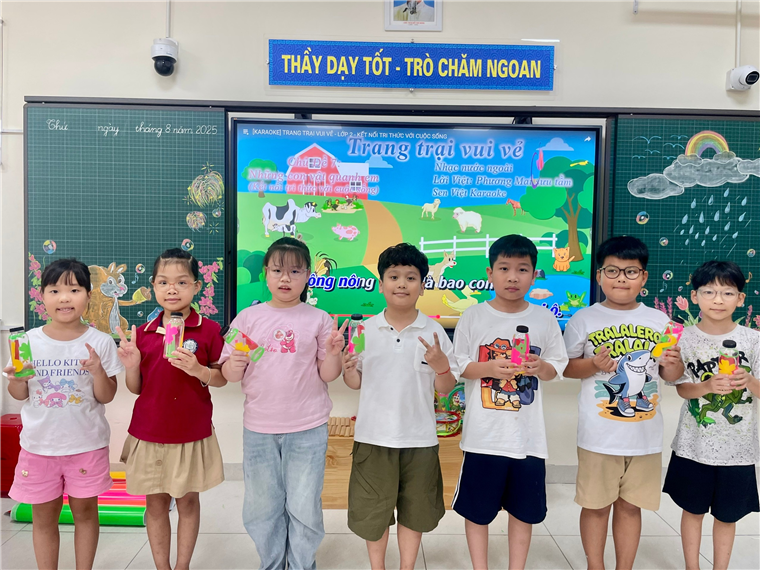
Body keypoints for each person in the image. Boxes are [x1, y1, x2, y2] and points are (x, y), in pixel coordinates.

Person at [220, 237, 347, 570]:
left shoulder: (319, 319)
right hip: (259, 428)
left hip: (308, 427)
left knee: (305, 506)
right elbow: (230, 374)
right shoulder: (247, 318)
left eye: (295, 271)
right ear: (266, 273)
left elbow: (328, 373)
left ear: (308, 276)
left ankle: (302, 564)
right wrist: (234, 363)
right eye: (277, 270)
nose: (285, 278)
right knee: (261, 507)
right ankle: (272, 563)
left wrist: (334, 353)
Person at [563, 236, 684, 570]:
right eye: (612, 270)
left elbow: (670, 375)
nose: (621, 279)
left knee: (631, 507)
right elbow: (567, 368)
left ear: (644, 277)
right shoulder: (583, 319)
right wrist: (593, 365)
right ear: (599, 275)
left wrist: (673, 363)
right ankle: (595, 566)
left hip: (645, 438)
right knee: (596, 506)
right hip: (598, 436)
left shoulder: (661, 321)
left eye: (631, 272)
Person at [452, 235, 569, 570]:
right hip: (483, 438)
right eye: (504, 268)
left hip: (528, 440)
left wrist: (540, 367)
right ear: (490, 273)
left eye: (522, 269)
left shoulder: (544, 318)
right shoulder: (473, 316)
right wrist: (489, 368)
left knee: (524, 511)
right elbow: (460, 365)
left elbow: (556, 367)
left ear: (534, 275)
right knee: (477, 512)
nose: (513, 277)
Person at [343, 243, 459, 570]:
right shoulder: (363, 330)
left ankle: (407, 567)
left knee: (415, 512)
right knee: (373, 513)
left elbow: (445, 388)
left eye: (411, 277)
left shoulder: (434, 331)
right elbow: (355, 382)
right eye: (393, 277)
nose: (402, 284)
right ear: (381, 284)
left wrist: (441, 367)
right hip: (373, 437)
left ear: (422, 286)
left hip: (420, 439)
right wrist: (348, 369)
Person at [4, 258, 122, 570]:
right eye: (54, 290)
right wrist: (16, 380)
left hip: (86, 445)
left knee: (85, 514)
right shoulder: (26, 342)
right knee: (43, 518)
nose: (64, 298)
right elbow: (19, 395)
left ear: (88, 295)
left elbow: (107, 395)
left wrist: (98, 371)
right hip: (39, 447)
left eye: (74, 290)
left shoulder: (99, 341)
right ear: (42, 296)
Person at [117, 248, 227, 570]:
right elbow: (136, 388)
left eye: (181, 282)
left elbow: (221, 378)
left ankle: (182, 566)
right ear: (153, 286)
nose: (172, 289)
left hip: (191, 431)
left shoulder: (209, 329)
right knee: (155, 504)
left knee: (188, 501)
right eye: (163, 282)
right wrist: (132, 366)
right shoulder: (142, 333)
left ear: (196, 286)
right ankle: (162, 567)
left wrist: (199, 370)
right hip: (149, 431)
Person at [663, 260, 760, 570]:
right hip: (694, 446)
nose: (718, 300)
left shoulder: (753, 340)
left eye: (727, 293)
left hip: (738, 450)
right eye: (709, 292)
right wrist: (705, 386)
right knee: (692, 511)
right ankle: (692, 567)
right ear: (695, 296)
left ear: (740, 299)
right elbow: (681, 388)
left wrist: (749, 381)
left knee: (727, 516)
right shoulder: (683, 338)